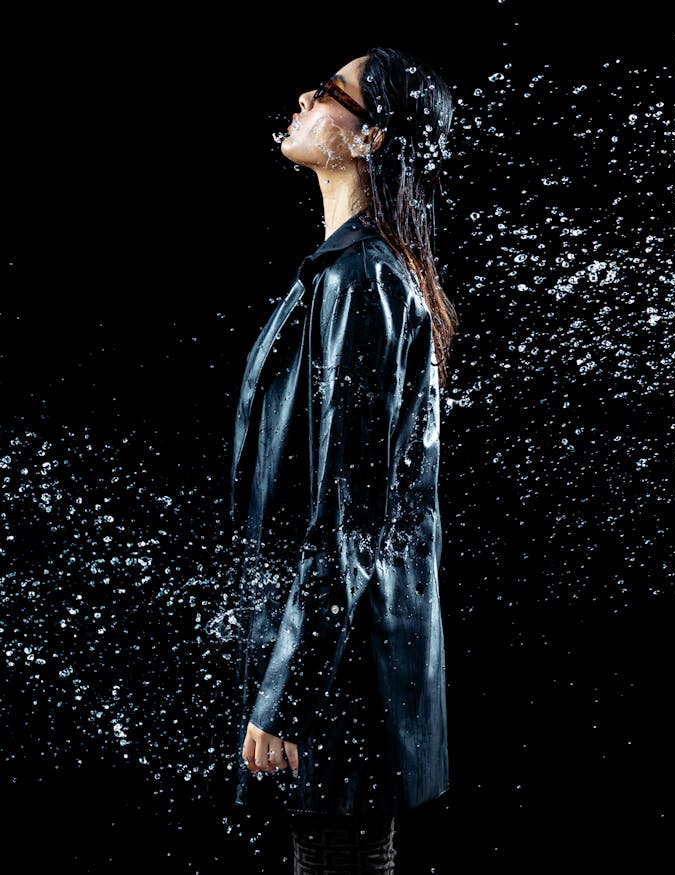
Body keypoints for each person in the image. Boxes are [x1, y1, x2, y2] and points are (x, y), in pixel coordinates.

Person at [226, 46, 458, 874]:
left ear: (372, 139)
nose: (303, 95)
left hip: (339, 676)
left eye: (329, 92)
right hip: (342, 659)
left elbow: (351, 519)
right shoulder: (345, 272)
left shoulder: (361, 280)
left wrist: (282, 692)